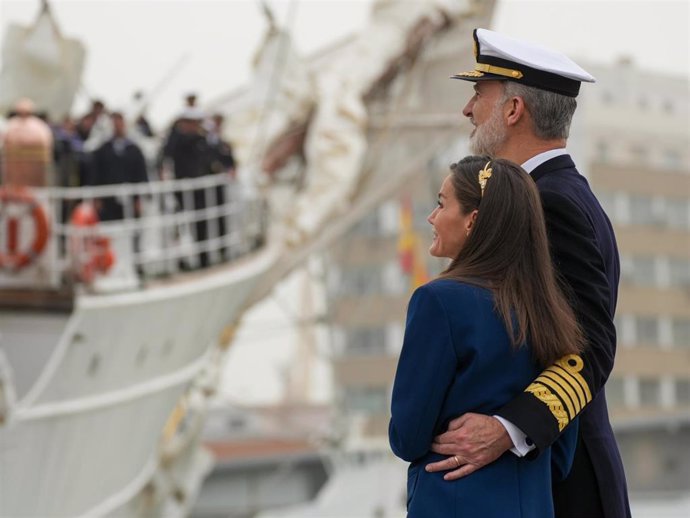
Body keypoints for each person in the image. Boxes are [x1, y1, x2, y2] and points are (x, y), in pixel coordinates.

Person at [424, 28, 630, 518]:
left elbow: (590, 346)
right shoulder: (547, 195)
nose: (468, 110)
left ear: (514, 110)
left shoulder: (550, 203)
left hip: (562, 483)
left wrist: (507, 428)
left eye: (479, 94)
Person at [390, 156, 584, 517]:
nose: (431, 217)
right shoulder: (552, 310)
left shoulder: (438, 301)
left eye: (441, 203)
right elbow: (561, 457)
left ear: (472, 221)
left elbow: (407, 436)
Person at [87, 112, 148, 221]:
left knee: (132, 225)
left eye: (120, 123)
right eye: (115, 123)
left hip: (130, 196)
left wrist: (139, 198)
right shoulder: (103, 149)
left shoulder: (134, 149)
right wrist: (96, 197)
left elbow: (141, 173)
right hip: (108, 197)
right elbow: (96, 173)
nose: (118, 126)